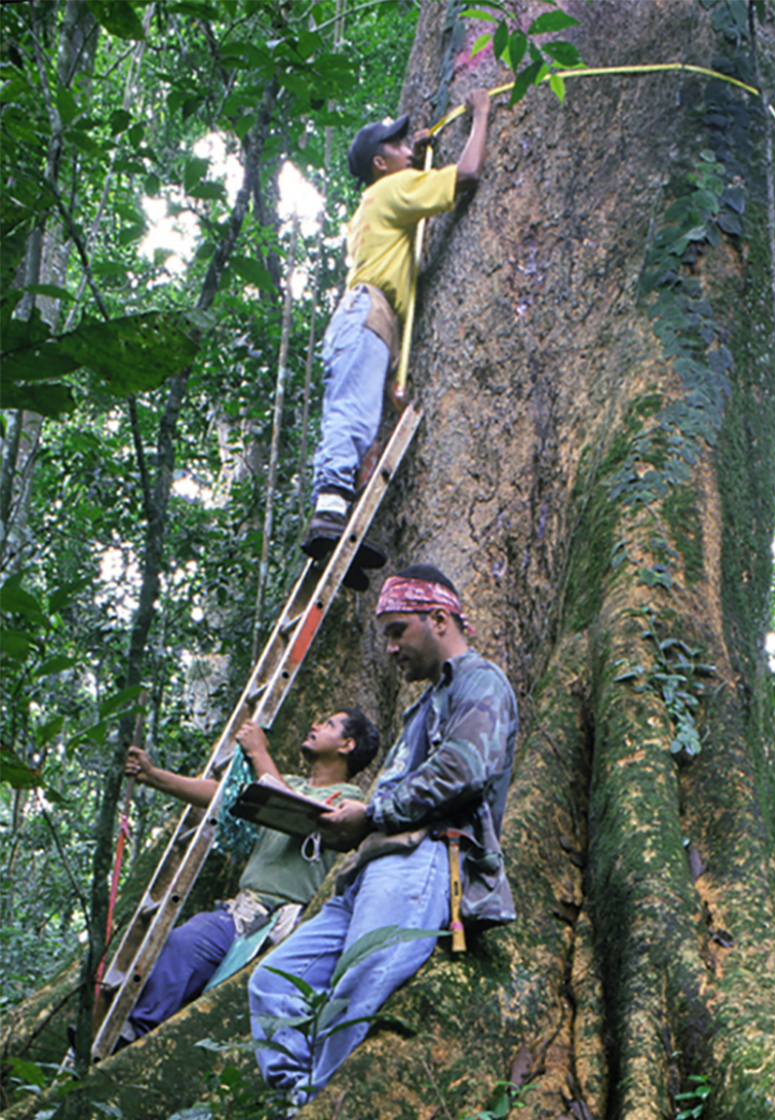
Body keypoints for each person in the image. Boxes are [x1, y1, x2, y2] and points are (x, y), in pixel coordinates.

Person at [249, 564, 517, 1109]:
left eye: (398, 631)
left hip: (423, 858)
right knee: (273, 979)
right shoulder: (423, 704)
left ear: (439, 618)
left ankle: (321, 1102)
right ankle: (298, 1096)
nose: (390, 648)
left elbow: (464, 769)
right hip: (367, 869)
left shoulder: (479, 681)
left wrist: (369, 814)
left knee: (358, 982)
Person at [301, 89, 492, 587]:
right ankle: (329, 513)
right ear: (381, 163)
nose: (410, 146)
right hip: (367, 314)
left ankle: (336, 526)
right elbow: (467, 175)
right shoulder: (388, 191)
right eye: (399, 144)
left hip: (370, 320)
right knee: (351, 416)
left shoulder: (378, 197)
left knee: (360, 420)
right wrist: (482, 116)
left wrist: (420, 148)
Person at [120, 710, 380, 1041]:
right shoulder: (292, 783)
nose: (314, 726)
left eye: (328, 724)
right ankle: (134, 1032)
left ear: (347, 745)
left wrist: (259, 753)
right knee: (185, 942)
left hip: (290, 924)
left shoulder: (349, 800)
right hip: (243, 912)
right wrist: (155, 776)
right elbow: (223, 795)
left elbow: (293, 809)